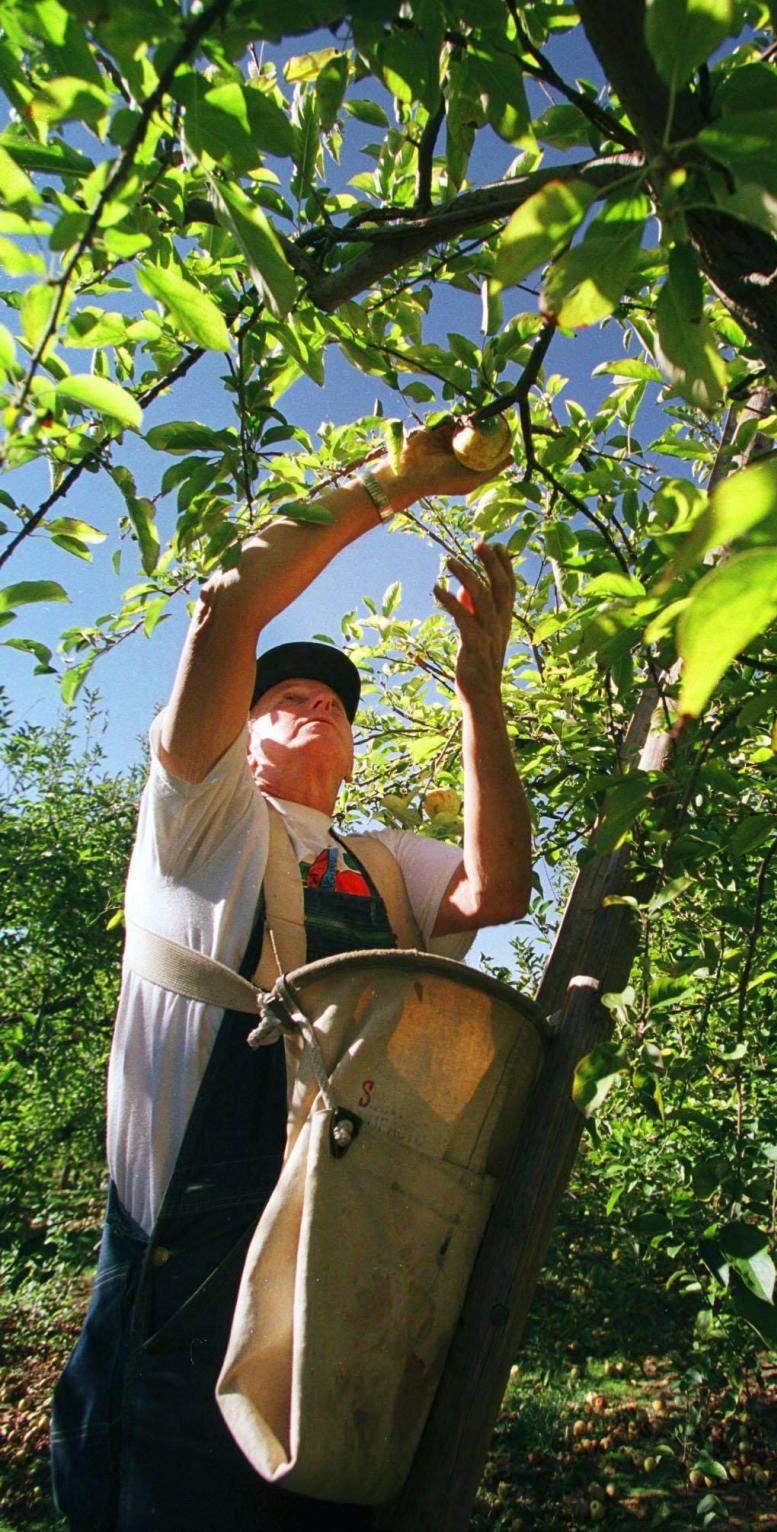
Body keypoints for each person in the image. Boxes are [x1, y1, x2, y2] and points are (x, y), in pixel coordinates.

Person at [50, 424, 532, 1531]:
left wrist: (479, 692)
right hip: (186, 1252)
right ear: (237, 732)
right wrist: (394, 482)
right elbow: (228, 604)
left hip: (345, 1241)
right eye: (282, 697)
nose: (314, 701)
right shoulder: (200, 815)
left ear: (355, 750)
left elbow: (499, 888)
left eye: (334, 701)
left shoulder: (383, 860)